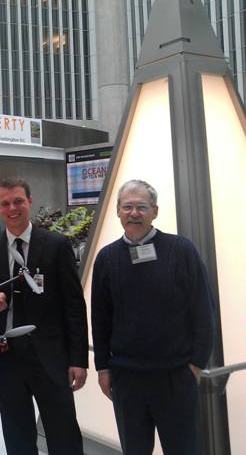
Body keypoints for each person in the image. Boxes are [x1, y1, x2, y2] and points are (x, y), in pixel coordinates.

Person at [91, 179, 215, 455]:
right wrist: (103, 367)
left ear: (155, 212)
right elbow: (100, 319)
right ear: (118, 211)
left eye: (141, 207)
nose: (134, 213)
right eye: (128, 207)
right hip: (127, 381)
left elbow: (203, 310)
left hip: (175, 377)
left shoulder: (181, 251)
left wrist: (196, 364)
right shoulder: (106, 258)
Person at [0, 177, 88, 455]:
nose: (12, 208)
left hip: (50, 357)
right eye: (5, 204)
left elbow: (74, 305)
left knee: (63, 435)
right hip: (5, 358)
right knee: (17, 436)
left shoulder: (56, 245)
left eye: (18, 201)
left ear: (29, 202)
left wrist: (78, 359)